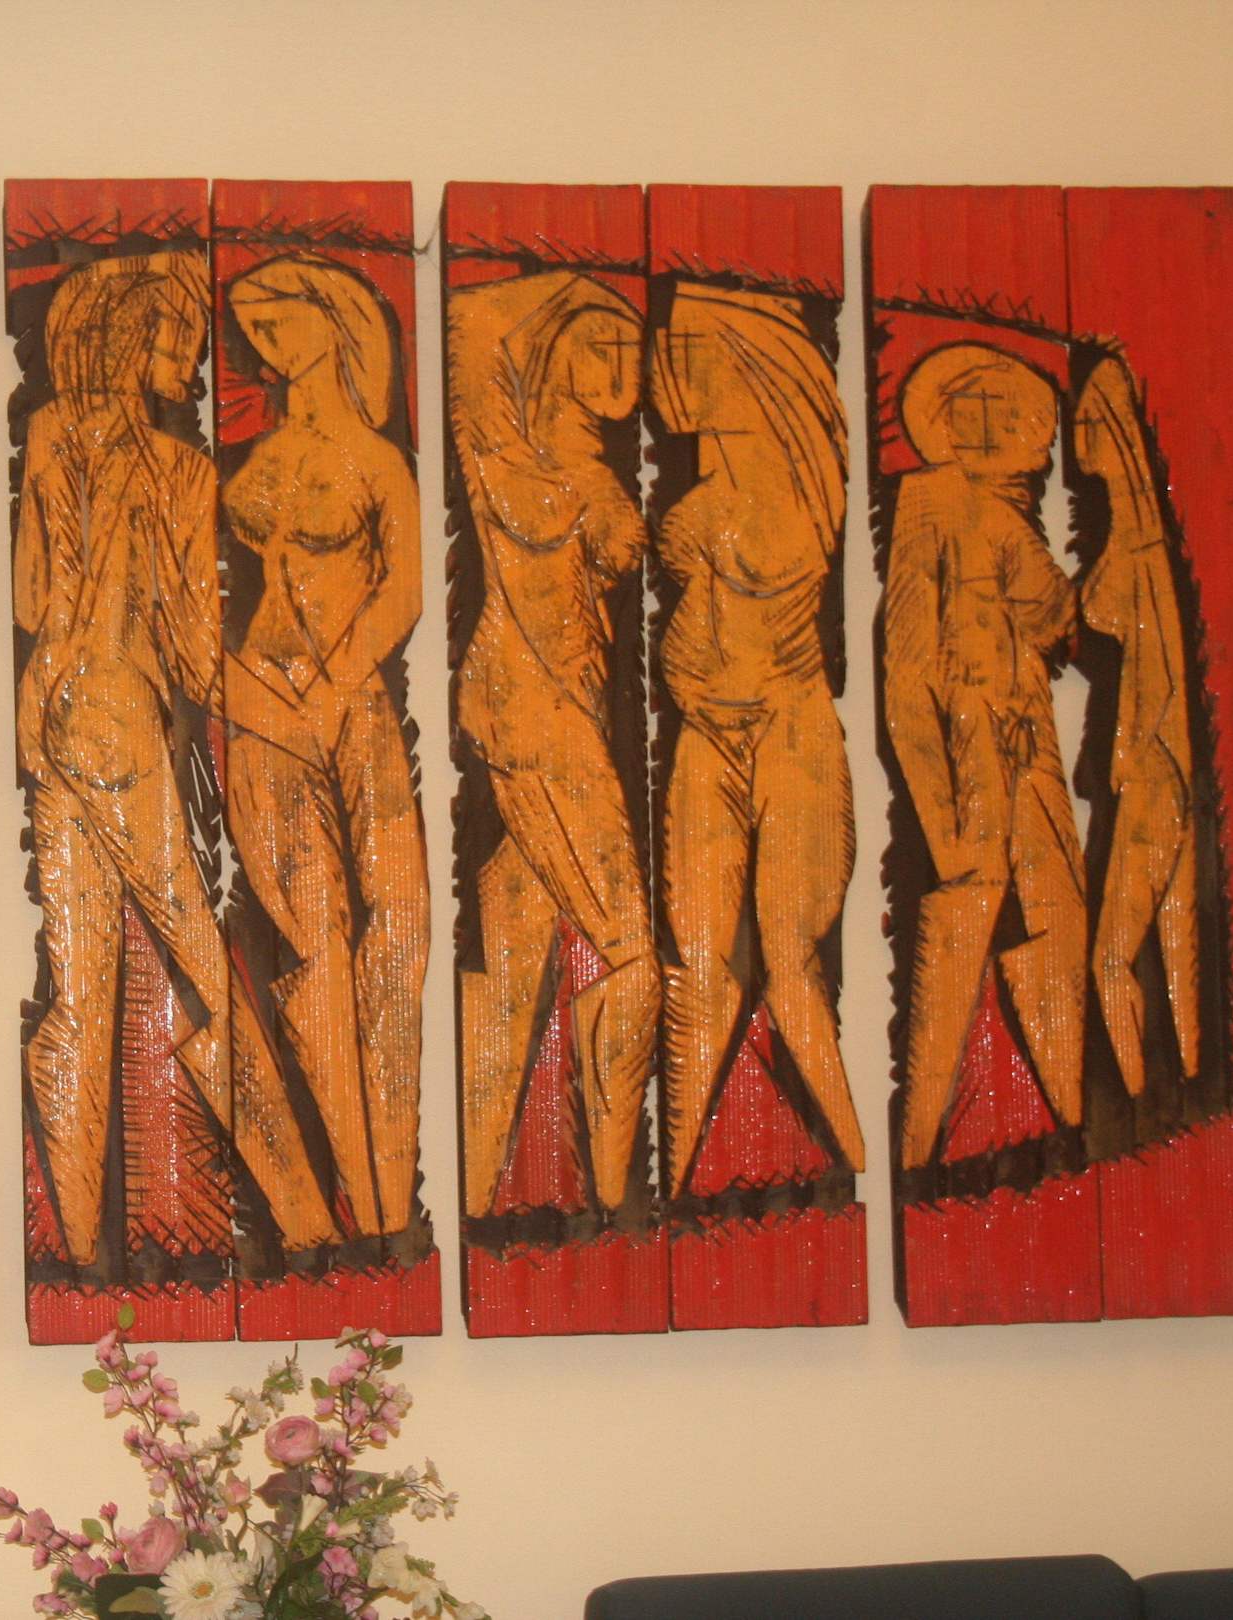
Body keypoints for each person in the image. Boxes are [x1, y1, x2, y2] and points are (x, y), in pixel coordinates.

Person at [15, 252, 336, 1266]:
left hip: (51, 723)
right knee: (204, 968)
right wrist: (289, 704)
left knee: (79, 995)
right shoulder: (181, 471)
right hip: (119, 724)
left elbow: (29, 599)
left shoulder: (48, 436)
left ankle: (76, 1257)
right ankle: (305, 1219)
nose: (193, 367)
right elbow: (198, 657)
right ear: (129, 339)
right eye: (179, 344)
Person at [220, 252, 428, 1242]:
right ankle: (357, 1201)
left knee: (395, 929)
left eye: (280, 321)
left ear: (336, 326)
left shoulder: (376, 460)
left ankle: (388, 1191)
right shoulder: (262, 458)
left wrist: (335, 677)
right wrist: (256, 689)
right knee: (312, 944)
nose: (263, 342)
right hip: (263, 705)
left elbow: (404, 589)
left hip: (350, 703)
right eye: (254, 326)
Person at [448, 270, 660, 1216]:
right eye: (596, 344)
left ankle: (485, 1193)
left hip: (560, 710)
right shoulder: (509, 459)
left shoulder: (584, 469)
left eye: (627, 349)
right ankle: (613, 1200)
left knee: (512, 957)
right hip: (535, 717)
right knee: (633, 956)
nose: (621, 368)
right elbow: (470, 338)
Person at [652, 282, 864, 1194]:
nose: (669, 372)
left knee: (792, 965)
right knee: (698, 967)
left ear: (750, 368)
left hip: (787, 729)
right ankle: (675, 1184)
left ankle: (853, 1163)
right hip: (706, 734)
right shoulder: (706, 491)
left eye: (692, 351)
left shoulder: (802, 492)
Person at [884, 341, 1087, 1168]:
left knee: (1055, 911)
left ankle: (1070, 1113)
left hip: (1017, 732)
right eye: (972, 409)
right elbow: (908, 667)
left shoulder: (991, 513)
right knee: (973, 909)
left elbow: (1052, 623)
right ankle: (920, 1142)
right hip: (974, 742)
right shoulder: (946, 505)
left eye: (1009, 411)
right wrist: (939, 796)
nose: (992, 426)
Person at [1074, 353, 1201, 1095]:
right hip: (1162, 759)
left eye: (1091, 425)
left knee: (1111, 958)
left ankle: (1138, 1098)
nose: (1080, 442)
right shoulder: (1143, 536)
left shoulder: (1140, 544)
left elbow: (1138, 654)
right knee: (1177, 944)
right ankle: (1182, 1083)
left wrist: (1121, 753)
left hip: (1153, 764)